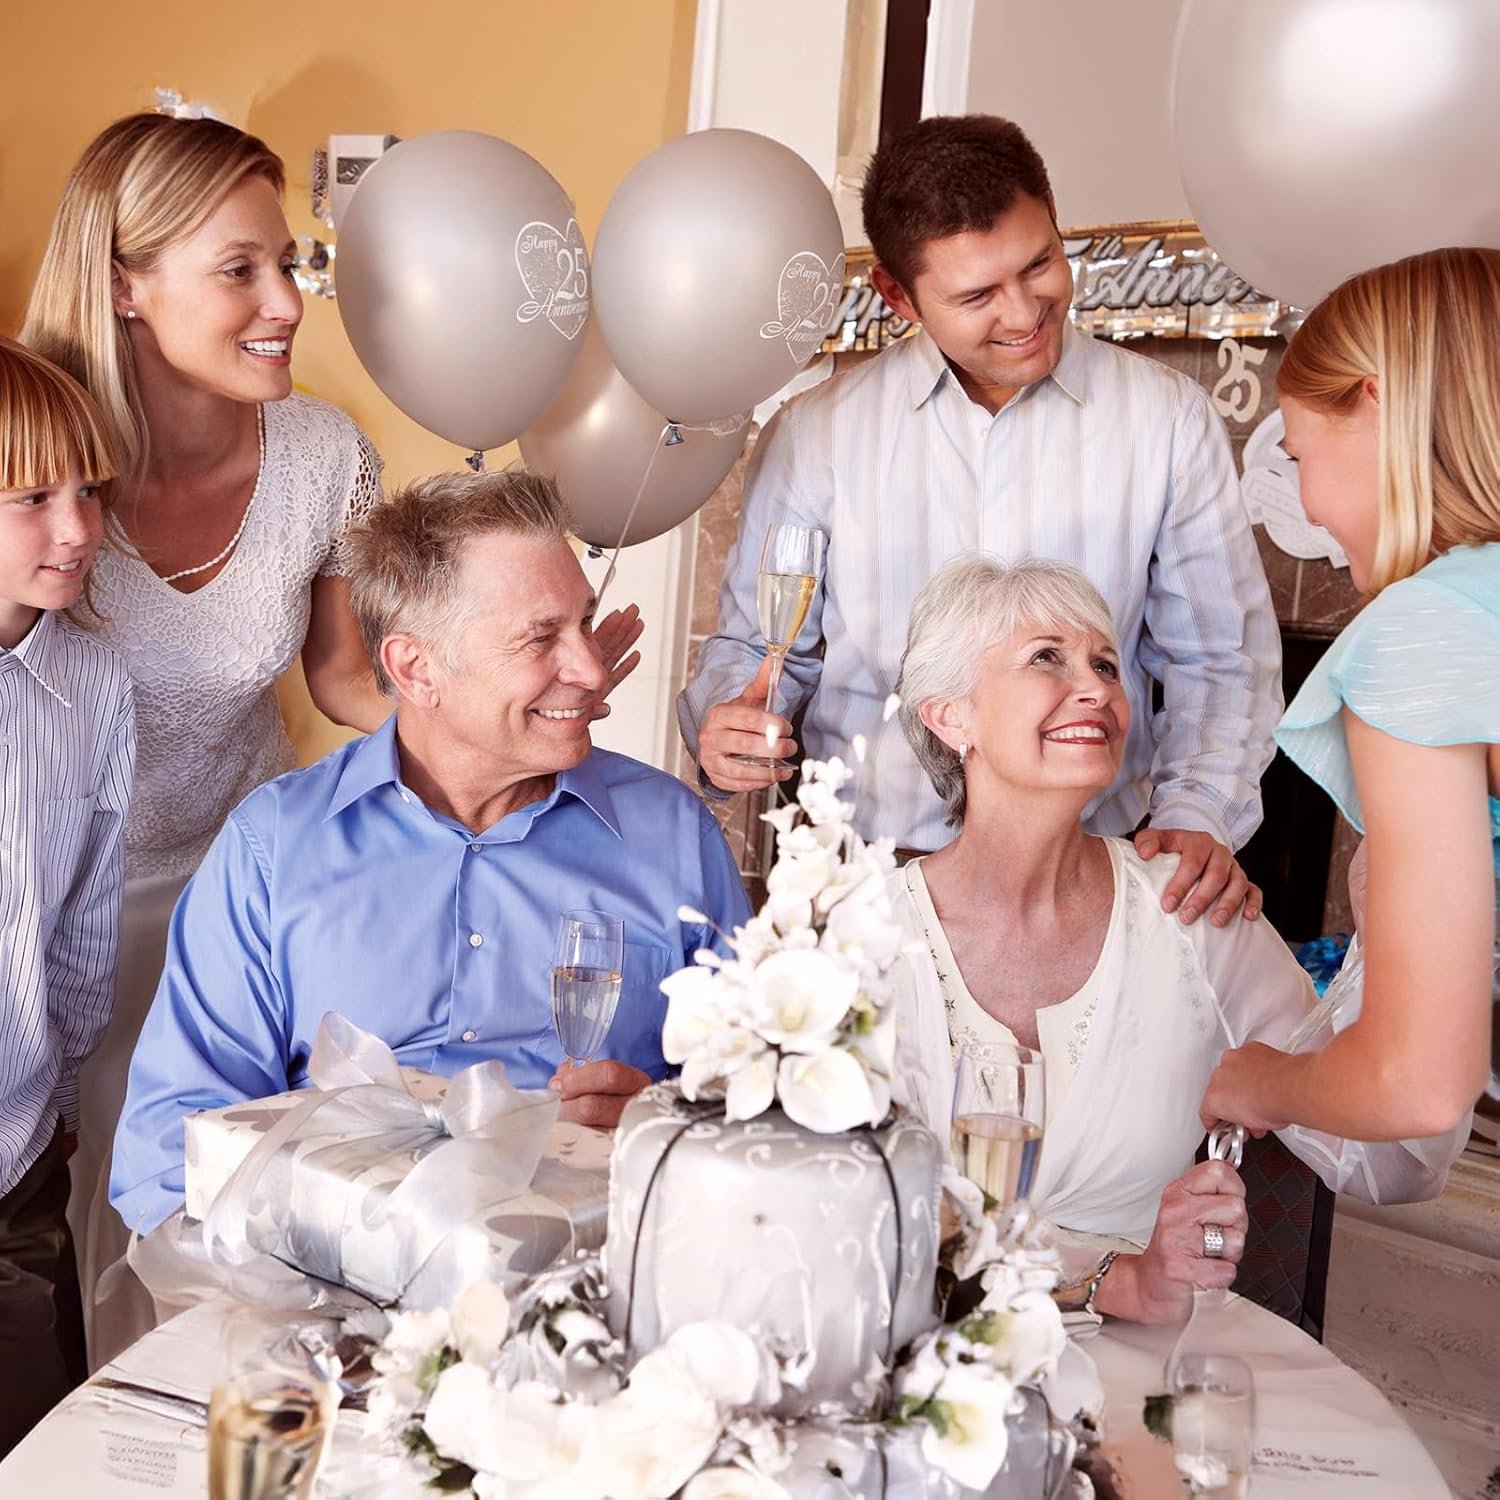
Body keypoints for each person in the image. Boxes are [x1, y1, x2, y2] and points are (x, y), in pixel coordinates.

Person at [21, 110, 646, 1347]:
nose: (288, 303)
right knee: (79, 1220)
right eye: (239, 270)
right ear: (125, 286)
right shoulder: (43, 465)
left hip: (240, 886)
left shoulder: (322, 457)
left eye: (290, 263)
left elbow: (348, 681)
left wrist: (499, 701)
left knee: (255, 1211)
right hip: (51, 900)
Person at [110, 468, 749, 1238]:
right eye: (541, 638)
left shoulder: (674, 838)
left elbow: (764, 1115)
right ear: (416, 669)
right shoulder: (274, 849)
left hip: (601, 1272)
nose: (590, 669)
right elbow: (170, 1154)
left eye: (584, 622)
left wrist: (661, 1120)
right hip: (327, 1280)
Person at [680, 113, 1280, 929]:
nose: (1024, 313)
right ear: (898, 295)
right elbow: (757, 650)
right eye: (976, 296)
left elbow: (1220, 661)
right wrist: (728, 722)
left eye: (1039, 264)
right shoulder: (815, 435)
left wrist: (1198, 813)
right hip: (863, 887)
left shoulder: (1168, 420)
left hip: (1087, 880)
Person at [889, 555, 1465, 1324]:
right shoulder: (860, 933)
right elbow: (824, 1212)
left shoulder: (1190, 912)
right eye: (1047, 658)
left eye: (1106, 665)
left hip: (1132, 1365)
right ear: (949, 716)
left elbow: (1394, 1163)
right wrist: (1117, 1280)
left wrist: (1402, 917)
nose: (1096, 689)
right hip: (903, 1348)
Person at [1203, 248, 1500, 1143]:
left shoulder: (1426, 630)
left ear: (1376, 405)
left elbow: (1416, 1083)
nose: (1307, 507)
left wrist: (1260, 1081)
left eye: (1298, 454)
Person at [0, 339, 134, 1451]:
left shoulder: (93, 683)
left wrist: (68, 1096)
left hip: (20, 1148)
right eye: (33, 500)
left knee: (42, 1433)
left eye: (89, 491)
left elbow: (87, 920)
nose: (77, 527)